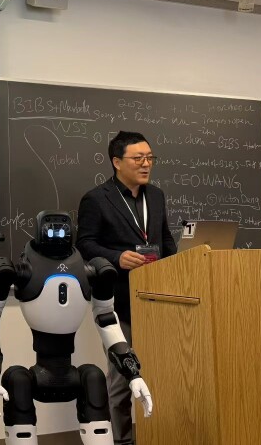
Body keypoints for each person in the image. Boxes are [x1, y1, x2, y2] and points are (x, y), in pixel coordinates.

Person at [0, 210, 153, 445]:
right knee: (16, 380)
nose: (56, 234)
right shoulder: (17, 270)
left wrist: (132, 372)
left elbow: (107, 318)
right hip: (36, 375)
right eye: (51, 230)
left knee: (93, 377)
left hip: (72, 373)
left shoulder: (93, 270)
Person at [76, 130, 176, 445]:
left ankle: (159, 434)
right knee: (123, 375)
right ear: (117, 162)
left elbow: (165, 239)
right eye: (138, 158)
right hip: (119, 302)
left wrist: (181, 264)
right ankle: (120, 440)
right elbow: (85, 244)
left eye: (150, 158)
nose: (146, 164)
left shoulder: (156, 195)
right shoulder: (96, 199)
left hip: (158, 298)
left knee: (162, 372)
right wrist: (116, 257)